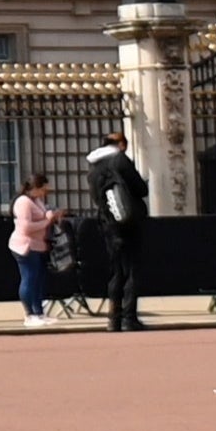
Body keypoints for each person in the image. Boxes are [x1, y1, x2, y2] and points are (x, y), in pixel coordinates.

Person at [83, 136, 150, 332]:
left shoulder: (93, 168)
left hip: (107, 222)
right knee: (131, 270)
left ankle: (113, 319)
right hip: (129, 221)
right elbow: (140, 188)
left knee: (116, 271)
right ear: (120, 145)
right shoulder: (120, 160)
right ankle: (129, 318)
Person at [8, 172, 61, 326]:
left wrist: (49, 215)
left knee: (38, 280)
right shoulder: (23, 202)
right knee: (29, 278)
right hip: (25, 246)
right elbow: (26, 228)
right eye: (44, 189)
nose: (45, 193)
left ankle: (39, 313)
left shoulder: (36, 200)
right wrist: (47, 221)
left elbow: (43, 214)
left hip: (37, 245)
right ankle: (29, 315)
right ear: (36, 188)